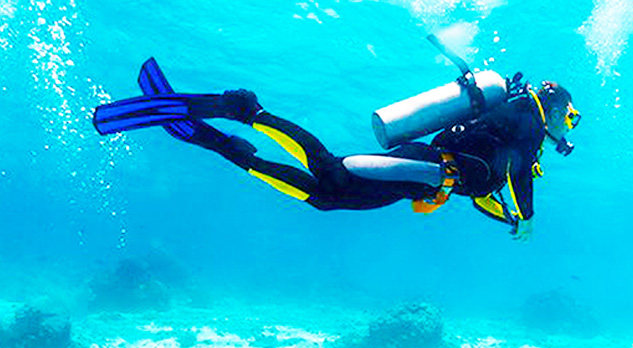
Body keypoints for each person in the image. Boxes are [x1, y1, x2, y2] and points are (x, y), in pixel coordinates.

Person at [93, 55, 580, 238]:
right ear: (555, 108)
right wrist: (530, 217)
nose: (568, 128)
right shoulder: (529, 118)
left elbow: (489, 191)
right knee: (331, 172)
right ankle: (245, 112)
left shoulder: (519, 131)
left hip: (425, 176)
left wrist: (512, 220)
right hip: (428, 168)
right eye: (570, 117)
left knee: (328, 195)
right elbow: (512, 176)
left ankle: (229, 145)